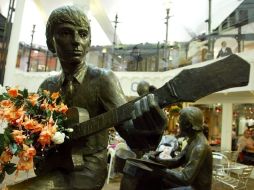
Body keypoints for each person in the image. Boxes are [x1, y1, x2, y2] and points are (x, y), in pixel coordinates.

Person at [8, 6, 167, 190]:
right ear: (51, 42)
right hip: (54, 164)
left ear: (89, 42)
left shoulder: (102, 80)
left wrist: (154, 129)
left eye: (82, 34)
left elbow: (132, 137)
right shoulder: (47, 86)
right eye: (66, 33)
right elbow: (37, 133)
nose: (76, 41)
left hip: (86, 169)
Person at [120, 106, 213, 190]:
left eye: (180, 121)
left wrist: (160, 170)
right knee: (150, 181)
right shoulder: (193, 140)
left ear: (188, 124)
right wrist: (158, 161)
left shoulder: (200, 147)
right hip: (190, 185)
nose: (178, 123)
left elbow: (185, 178)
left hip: (195, 188)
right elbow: (177, 160)